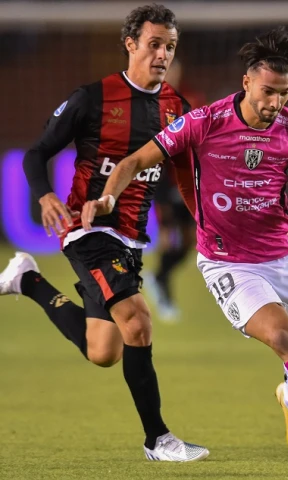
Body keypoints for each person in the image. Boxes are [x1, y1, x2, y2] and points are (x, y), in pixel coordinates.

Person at [81, 27, 288, 458]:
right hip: (229, 263)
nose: (274, 103)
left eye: (284, 93)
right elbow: (136, 159)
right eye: (267, 91)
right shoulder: (205, 122)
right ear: (247, 82)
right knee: (285, 341)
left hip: (284, 256)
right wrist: (110, 195)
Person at [0, 4, 208, 461]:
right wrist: (44, 195)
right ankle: (159, 439)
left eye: (170, 47)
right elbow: (37, 154)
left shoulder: (177, 107)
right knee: (137, 320)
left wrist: (205, 223)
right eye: (154, 44)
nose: (162, 54)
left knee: (104, 351)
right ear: (130, 43)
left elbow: (187, 174)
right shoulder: (92, 99)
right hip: (87, 226)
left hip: (132, 237)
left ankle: (27, 280)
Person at [144, 58, 207, 322]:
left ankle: (157, 277)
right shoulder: (148, 105)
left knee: (191, 240)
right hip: (163, 180)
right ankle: (163, 293)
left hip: (189, 180)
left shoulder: (193, 99)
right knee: (169, 238)